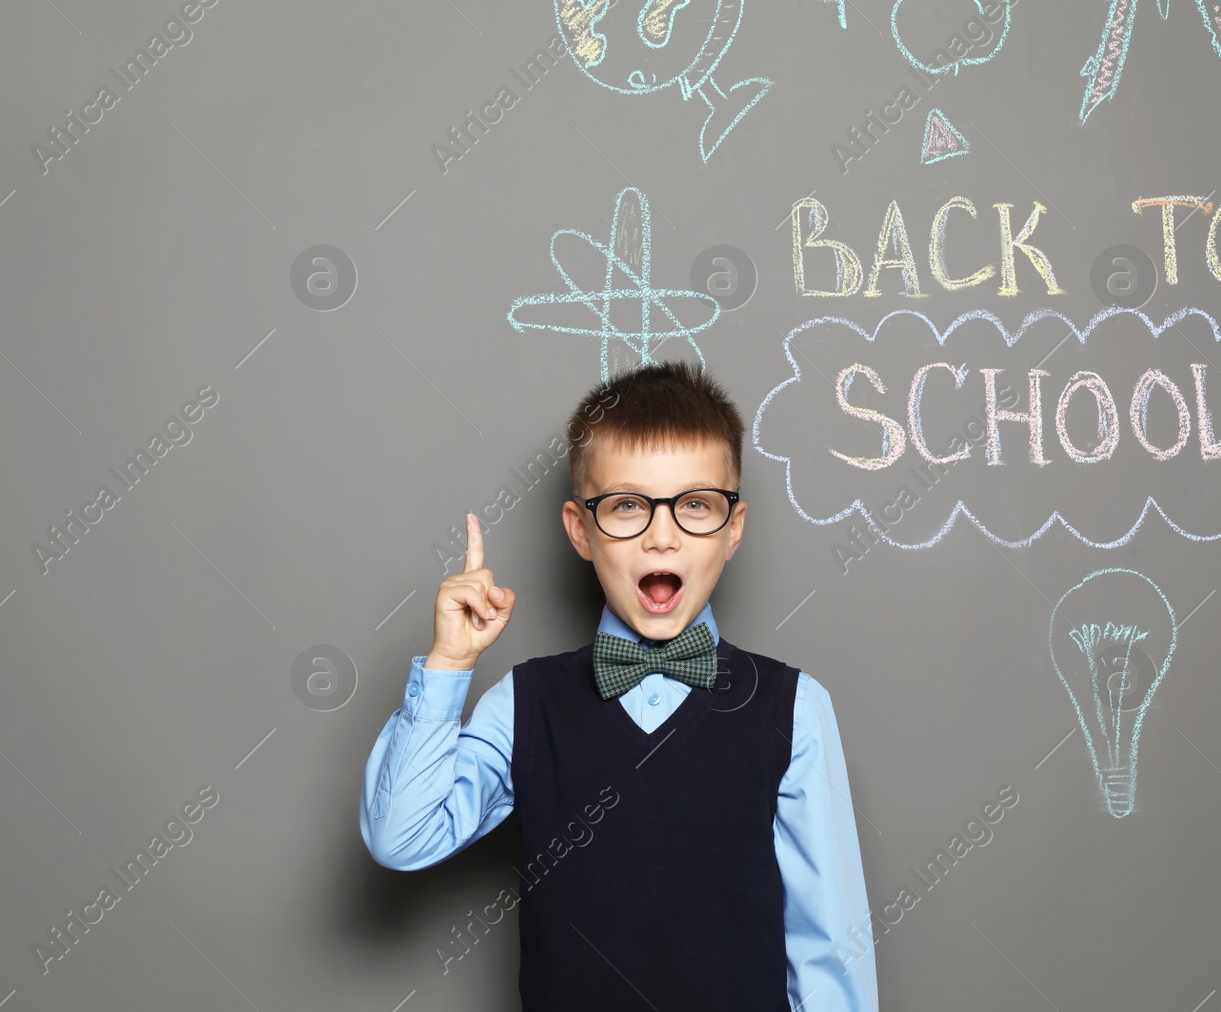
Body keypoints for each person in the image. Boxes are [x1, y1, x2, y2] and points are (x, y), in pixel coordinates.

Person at [360, 359, 878, 1010]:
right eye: (629, 506)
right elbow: (399, 836)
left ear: (733, 530)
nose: (662, 537)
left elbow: (829, 949)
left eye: (695, 505)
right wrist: (447, 665)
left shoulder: (795, 709)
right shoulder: (525, 704)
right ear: (581, 529)